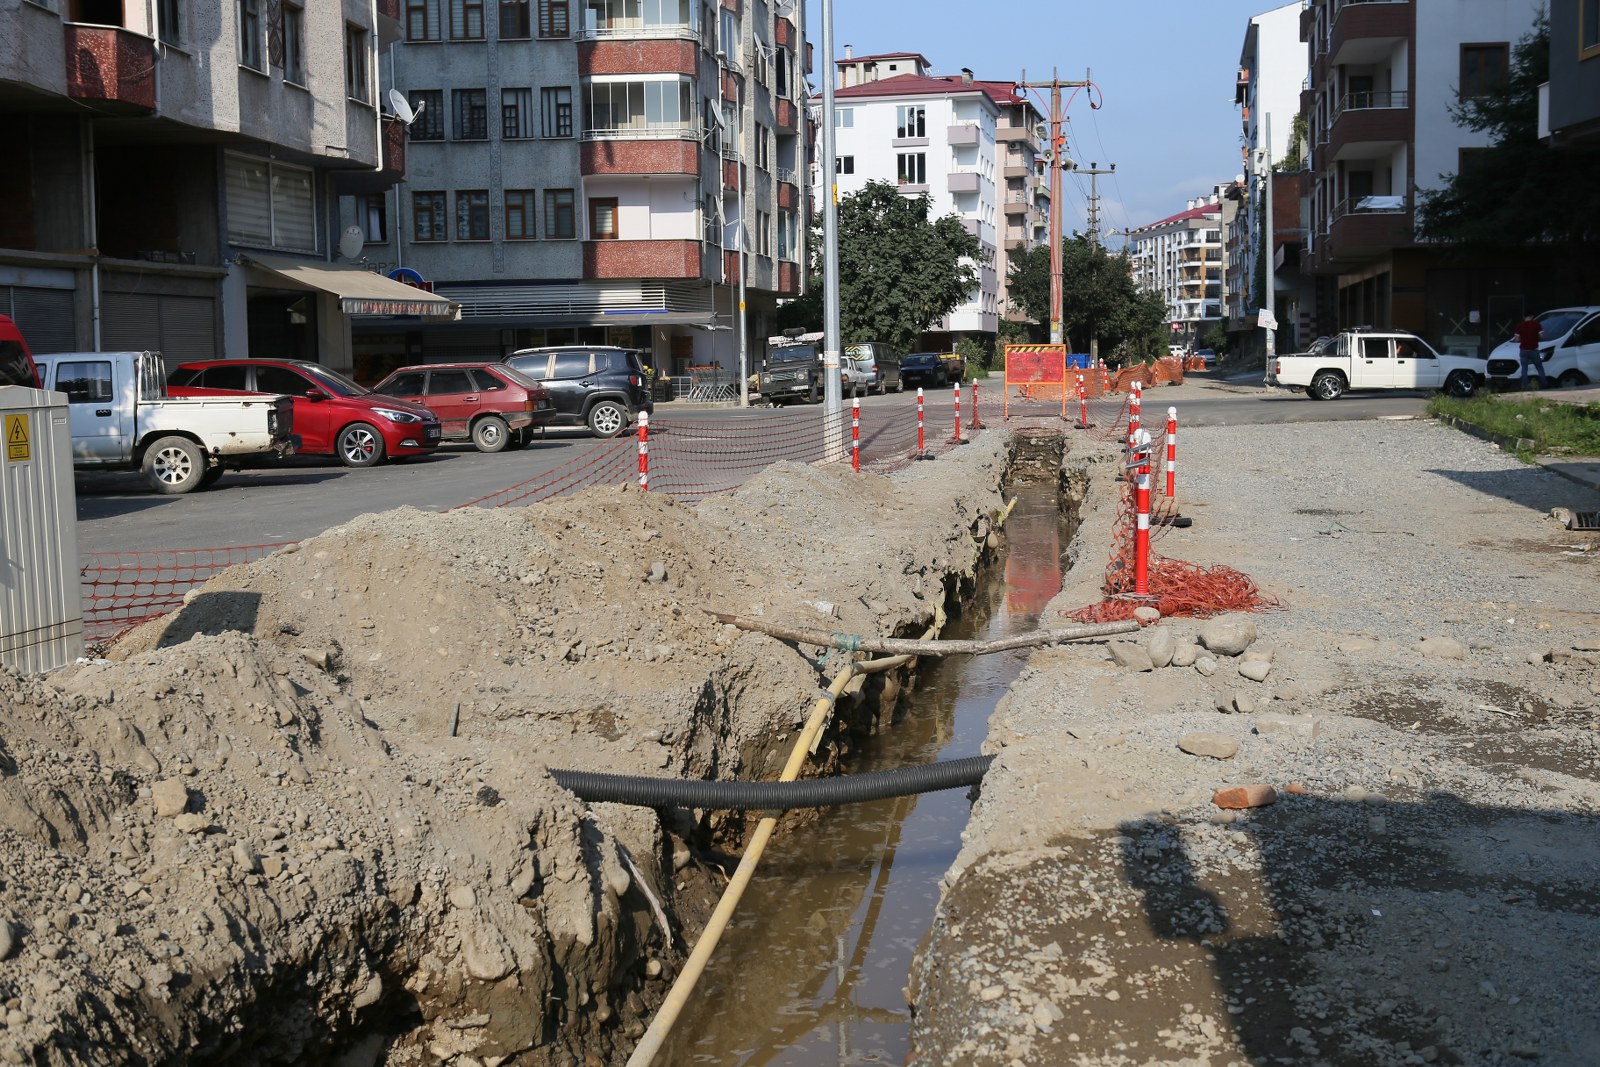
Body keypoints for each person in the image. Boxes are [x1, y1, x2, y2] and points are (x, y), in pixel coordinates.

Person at [1513, 313, 1550, 389]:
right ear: (1532, 316)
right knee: (1539, 368)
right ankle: (1544, 384)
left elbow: (1517, 339)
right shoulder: (1536, 324)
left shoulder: (1519, 326)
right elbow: (1541, 336)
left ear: (1524, 317)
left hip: (1523, 350)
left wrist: (1522, 339)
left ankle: (1526, 385)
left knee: (1524, 369)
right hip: (1534, 350)